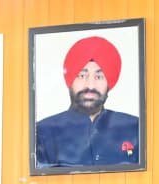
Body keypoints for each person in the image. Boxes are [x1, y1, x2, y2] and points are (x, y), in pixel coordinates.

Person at [35, 36, 140, 167]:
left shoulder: (135, 128)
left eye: (99, 76)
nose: (90, 85)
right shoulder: (43, 132)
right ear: (70, 80)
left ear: (109, 83)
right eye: (82, 75)